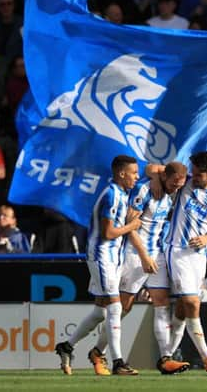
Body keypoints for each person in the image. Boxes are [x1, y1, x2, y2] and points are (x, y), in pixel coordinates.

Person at [89, 161, 190, 376]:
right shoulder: (145, 189)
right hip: (135, 255)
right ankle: (98, 351)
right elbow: (130, 225)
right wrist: (143, 256)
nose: (176, 188)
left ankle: (165, 359)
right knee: (122, 308)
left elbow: (156, 167)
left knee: (161, 301)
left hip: (157, 254)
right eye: (174, 183)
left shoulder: (169, 190)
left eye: (180, 185)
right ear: (165, 177)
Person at [55, 155, 141, 376]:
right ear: (122, 173)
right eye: (134, 173)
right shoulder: (112, 195)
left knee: (100, 311)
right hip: (101, 256)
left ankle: (67, 346)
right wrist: (131, 225)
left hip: (112, 257)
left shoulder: (121, 194)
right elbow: (108, 232)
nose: (137, 177)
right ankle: (118, 362)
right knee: (115, 307)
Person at [156, 151, 207, 374]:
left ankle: (166, 357)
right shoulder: (184, 184)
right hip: (176, 250)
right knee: (192, 303)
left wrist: (206, 238)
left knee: (182, 306)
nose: (194, 177)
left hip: (199, 256)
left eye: (199, 174)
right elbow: (154, 169)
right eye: (193, 172)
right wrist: (161, 174)